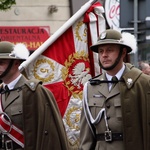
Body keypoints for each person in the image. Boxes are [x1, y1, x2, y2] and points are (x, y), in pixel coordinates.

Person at [79, 29, 150, 150]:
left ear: (123, 53)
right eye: (101, 51)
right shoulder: (91, 87)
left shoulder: (141, 83)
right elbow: (86, 136)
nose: (104, 55)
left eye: (109, 50)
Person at [0, 41, 70, 150]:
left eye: (1, 62)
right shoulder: (1, 92)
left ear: (16, 63)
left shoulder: (34, 91)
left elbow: (49, 134)